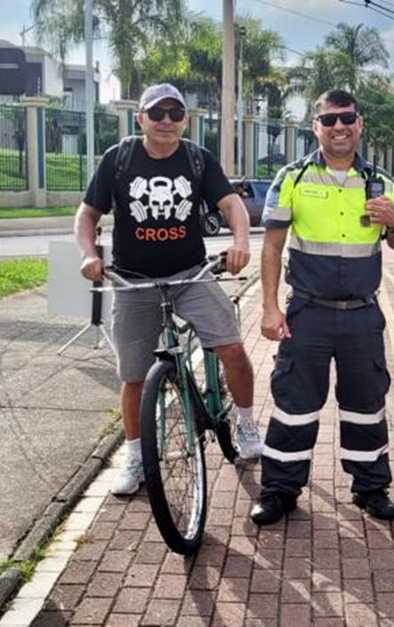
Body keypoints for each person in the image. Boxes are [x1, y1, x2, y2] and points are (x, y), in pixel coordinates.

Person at [76, 83, 262, 496]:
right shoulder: (119, 159)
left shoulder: (198, 159)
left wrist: (241, 242)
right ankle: (136, 456)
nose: (165, 121)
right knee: (133, 375)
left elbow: (230, 205)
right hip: (131, 280)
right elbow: (88, 213)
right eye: (156, 113)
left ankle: (247, 423)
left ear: (185, 120)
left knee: (231, 346)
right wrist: (89, 255)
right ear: (139, 118)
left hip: (190, 274)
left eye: (174, 113)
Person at [249, 89, 394, 526]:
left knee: (366, 402)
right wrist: (269, 308)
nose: (339, 127)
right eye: (330, 120)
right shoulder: (293, 178)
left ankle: (371, 487)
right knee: (293, 404)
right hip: (308, 313)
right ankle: (279, 490)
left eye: (348, 119)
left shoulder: (383, 183)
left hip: (362, 314)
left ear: (360, 124)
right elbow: (272, 247)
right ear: (316, 127)